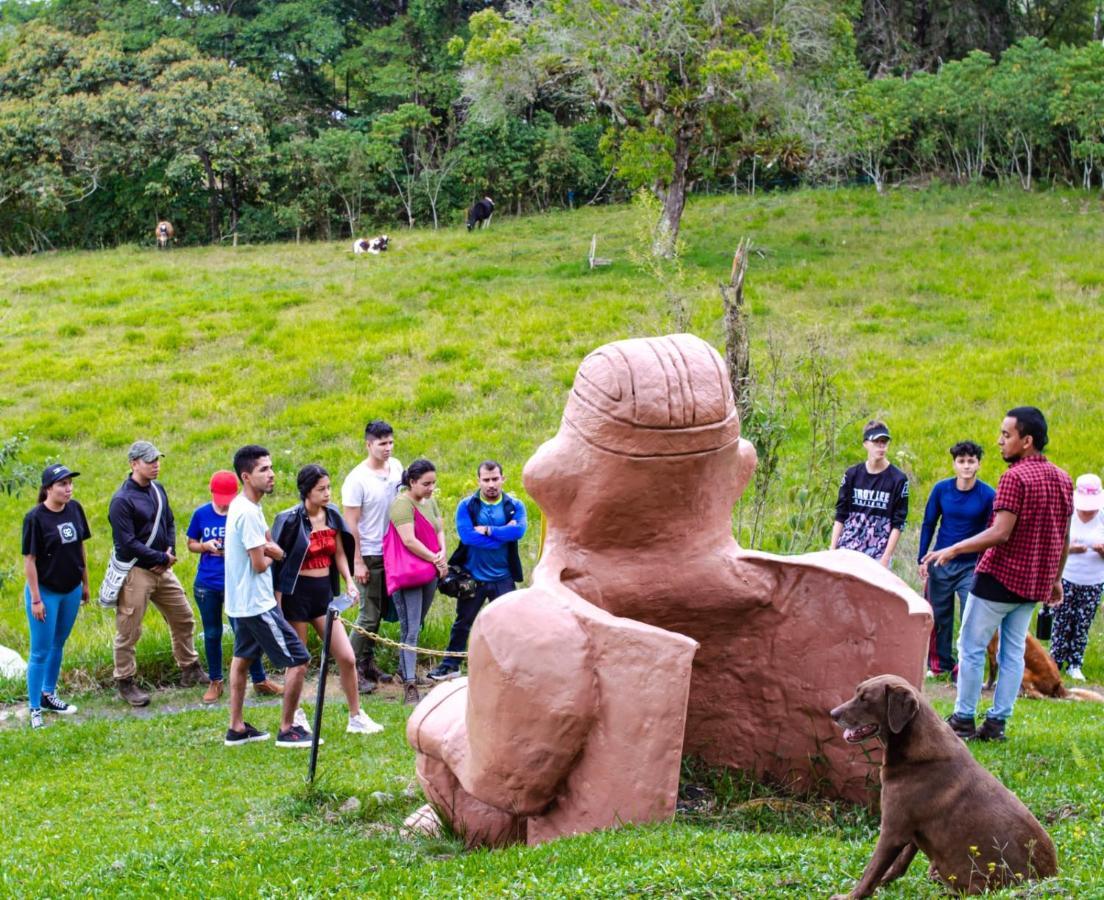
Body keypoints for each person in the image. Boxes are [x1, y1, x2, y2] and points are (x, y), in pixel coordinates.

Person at [925, 407, 1073, 743]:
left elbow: (1000, 533)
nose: (1000, 441)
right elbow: (1064, 537)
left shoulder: (1014, 477)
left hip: (999, 579)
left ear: (1027, 441)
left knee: (972, 647)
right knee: (1012, 653)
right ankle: (996, 724)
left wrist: (954, 548)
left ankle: (963, 719)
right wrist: (1054, 579)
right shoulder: (1063, 478)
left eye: (1006, 435)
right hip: (1033, 584)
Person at [272, 465, 384, 736]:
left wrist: (348, 581)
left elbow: (339, 553)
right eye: (321, 489)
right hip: (296, 596)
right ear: (306, 491)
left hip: (324, 594)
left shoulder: (332, 515)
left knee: (346, 657)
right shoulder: (289, 520)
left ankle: (355, 716)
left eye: (328, 487)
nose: (327, 493)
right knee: (299, 662)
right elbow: (278, 566)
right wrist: (276, 606)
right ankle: (295, 713)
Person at [223, 445, 316, 748]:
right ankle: (288, 729)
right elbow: (260, 561)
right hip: (256, 604)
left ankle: (236, 728)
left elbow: (265, 541)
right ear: (246, 476)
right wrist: (275, 553)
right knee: (299, 659)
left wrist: (269, 547)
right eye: (264, 469)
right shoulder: (247, 513)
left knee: (242, 660)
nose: (272, 474)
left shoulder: (247, 505)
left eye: (271, 467)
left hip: (241, 603)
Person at [108, 441, 208, 707]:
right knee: (129, 629)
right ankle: (125, 681)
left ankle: (190, 668)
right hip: (137, 572)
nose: (156, 464)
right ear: (133, 464)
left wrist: (169, 552)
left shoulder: (158, 489)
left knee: (183, 617)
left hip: (162, 567)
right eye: (149, 460)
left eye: (157, 459)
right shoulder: (121, 500)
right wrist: (159, 557)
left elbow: (170, 521)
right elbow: (126, 542)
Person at [187, 470, 282, 703]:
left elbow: (266, 540)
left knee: (245, 633)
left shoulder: (242, 511)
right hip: (208, 583)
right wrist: (205, 546)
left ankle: (259, 679)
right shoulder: (201, 514)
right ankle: (215, 680)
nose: (224, 504)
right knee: (212, 633)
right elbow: (190, 544)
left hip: (237, 584)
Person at [428, 461, 527, 682]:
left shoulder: (515, 505)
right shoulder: (467, 506)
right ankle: (450, 665)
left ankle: (510, 668)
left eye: (495, 479)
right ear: (478, 481)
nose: (491, 484)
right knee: (463, 622)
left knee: (508, 625)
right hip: (473, 577)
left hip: (504, 577)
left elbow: (519, 531)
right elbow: (468, 537)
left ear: (503, 479)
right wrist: (502, 534)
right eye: (486, 480)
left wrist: (489, 530)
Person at [917, 441, 996, 679]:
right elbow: (929, 523)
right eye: (961, 461)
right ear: (954, 464)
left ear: (978, 464)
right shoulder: (942, 490)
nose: (966, 466)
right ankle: (939, 664)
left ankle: (965, 665)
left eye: (971, 461)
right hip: (941, 561)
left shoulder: (988, 494)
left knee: (970, 614)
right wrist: (922, 558)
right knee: (938, 614)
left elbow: (993, 531)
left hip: (971, 564)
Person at [21, 464, 90, 729]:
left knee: (58, 643)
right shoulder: (35, 518)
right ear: (48, 488)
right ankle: (34, 707)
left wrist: (85, 583)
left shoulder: (75, 509)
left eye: (70, 483)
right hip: (45, 593)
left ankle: (49, 695)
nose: (68, 488)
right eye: (62, 484)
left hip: (71, 589)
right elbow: (30, 561)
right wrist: (36, 599)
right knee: (40, 650)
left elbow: (80, 547)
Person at [342, 420, 403, 693]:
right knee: (367, 615)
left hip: (392, 551)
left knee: (378, 615)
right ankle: (350, 669)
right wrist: (357, 561)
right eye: (382, 444)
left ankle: (367, 664)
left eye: (390, 442)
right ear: (368, 444)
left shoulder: (397, 468)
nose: (388, 448)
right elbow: (350, 524)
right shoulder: (357, 479)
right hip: (368, 552)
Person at [388, 458, 447, 704]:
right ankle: (409, 684)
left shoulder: (430, 501)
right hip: (411, 574)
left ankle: (406, 671)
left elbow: (439, 528)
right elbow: (409, 540)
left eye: (433, 482)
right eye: (426, 483)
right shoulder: (401, 504)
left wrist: (442, 554)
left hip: (430, 571)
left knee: (417, 624)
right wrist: (436, 559)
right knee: (409, 630)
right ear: (412, 482)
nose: (431, 488)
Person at [830, 420, 910, 567]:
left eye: (884, 442)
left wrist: (886, 558)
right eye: (876, 442)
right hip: (847, 550)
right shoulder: (852, 474)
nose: (881, 446)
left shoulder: (898, 479)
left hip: (877, 555)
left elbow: (899, 523)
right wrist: (832, 549)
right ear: (866, 443)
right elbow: (840, 514)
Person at [1050, 473, 1104, 681]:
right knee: (1061, 620)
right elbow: (1055, 543)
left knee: (1082, 622)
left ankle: (1075, 663)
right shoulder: (1068, 514)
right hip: (1067, 576)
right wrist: (1071, 549)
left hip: (1094, 580)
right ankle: (1055, 661)